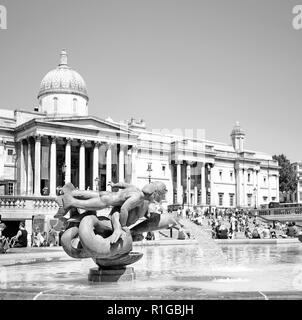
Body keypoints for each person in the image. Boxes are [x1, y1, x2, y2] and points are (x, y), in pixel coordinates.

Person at [56, 181, 168, 244]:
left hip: (107, 195)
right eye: (157, 195)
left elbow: (124, 185)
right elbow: (124, 209)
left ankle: (68, 191)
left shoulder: (135, 189)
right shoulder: (138, 198)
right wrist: (123, 225)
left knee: (82, 194)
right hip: (105, 202)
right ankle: (66, 202)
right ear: (153, 193)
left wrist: (114, 185)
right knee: (78, 203)